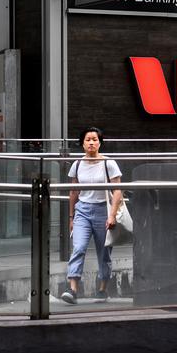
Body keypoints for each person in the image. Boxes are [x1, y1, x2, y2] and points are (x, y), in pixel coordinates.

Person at [61, 126, 122, 305]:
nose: (91, 143)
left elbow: (117, 191)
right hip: (83, 211)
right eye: (88, 139)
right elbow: (73, 192)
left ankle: (102, 288)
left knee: (104, 253)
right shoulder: (78, 164)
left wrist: (112, 216)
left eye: (95, 139)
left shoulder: (108, 163)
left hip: (104, 210)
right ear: (82, 143)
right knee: (78, 247)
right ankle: (72, 289)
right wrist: (71, 217)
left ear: (100, 142)